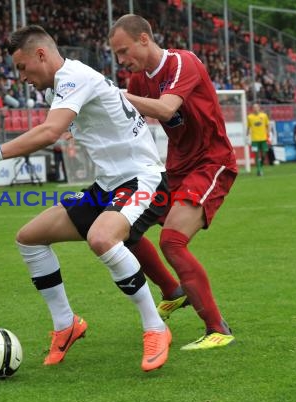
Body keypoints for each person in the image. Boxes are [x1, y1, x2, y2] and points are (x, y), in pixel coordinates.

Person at [0, 25, 171, 372]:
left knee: (101, 238)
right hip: (109, 185)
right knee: (30, 238)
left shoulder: (73, 75)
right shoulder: (59, 89)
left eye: (22, 68)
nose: (21, 77)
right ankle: (66, 325)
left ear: (41, 55)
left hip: (143, 178)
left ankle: (156, 327)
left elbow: (49, 132)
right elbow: (52, 130)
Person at [109, 14, 236, 350]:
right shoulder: (138, 81)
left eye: (124, 52)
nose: (122, 61)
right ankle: (173, 292)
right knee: (125, 230)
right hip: (174, 169)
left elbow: (166, 110)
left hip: (211, 163)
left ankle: (218, 329)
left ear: (144, 39)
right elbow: (128, 126)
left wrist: (116, 95)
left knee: (172, 242)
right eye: (117, 56)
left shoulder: (183, 62)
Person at [247, 103, 270, 176]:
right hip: (254, 140)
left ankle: (261, 165)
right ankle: (259, 170)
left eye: (256, 107)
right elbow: (248, 127)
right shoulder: (249, 117)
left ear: (259, 108)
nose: (255, 108)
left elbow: (267, 125)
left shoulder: (264, 115)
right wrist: (247, 135)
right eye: (254, 107)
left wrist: (268, 133)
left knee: (264, 153)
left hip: (263, 138)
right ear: (252, 109)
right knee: (256, 155)